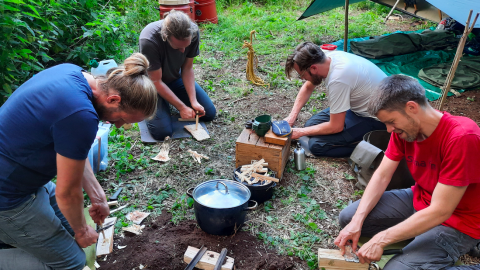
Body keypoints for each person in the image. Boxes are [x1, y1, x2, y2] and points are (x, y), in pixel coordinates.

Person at [0, 53, 157, 270]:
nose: (118, 126)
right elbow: (67, 193)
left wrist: (97, 195)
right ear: (113, 100)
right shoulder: (81, 115)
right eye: (121, 119)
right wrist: (82, 231)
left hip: (25, 180)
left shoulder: (71, 72)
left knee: (69, 232)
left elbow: (73, 150)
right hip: (7, 199)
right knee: (72, 263)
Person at [335, 75, 480, 269]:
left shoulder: (462, 137)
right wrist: (358, 220)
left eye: (391, 121)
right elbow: (382, 175)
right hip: (420, 200)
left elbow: (441, 211)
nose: (388, 130)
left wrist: (381, 239)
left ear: (412, 108)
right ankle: (419, 237)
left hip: (457, 221)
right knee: (349, 219)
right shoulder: (404, 130)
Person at [284, 42, 387, 157]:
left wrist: (299, 132)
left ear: (313, 68)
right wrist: (292, 117)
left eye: (301, 74)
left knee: (317, 145)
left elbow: (336, 126)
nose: (302, 78)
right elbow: (308, 87)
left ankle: (371, 145)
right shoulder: (326, 57)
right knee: (311, 124)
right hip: (360, 106)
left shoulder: (338, 79)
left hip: (377, 119)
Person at [139, 10, 216, 140]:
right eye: (178, 47)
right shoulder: (149, 40)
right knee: (162, 133)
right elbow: (156, 81)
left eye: (186, 46)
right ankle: (150, 104)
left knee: (208, 113)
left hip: (174, 78)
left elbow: (187, 68)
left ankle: (167, 103)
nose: (183, 51)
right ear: (165, 36)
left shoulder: (192, 32)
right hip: (151, 84)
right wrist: (181, 107)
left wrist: (193, 101)